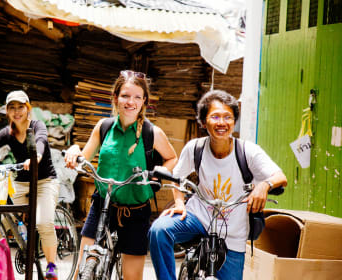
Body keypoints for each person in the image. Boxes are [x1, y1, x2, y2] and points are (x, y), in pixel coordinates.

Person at [149, 90, 288, 280]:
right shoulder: (195, 148)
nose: (221, 123)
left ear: (233, 122)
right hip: (198, 216)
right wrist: (180, 204)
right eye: (215, 116)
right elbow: (177, 179)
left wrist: (264, 185)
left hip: (233, 232)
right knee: (159, 230)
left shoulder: (248, 151)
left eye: (227, 117)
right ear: (204, 122)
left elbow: (280, 176)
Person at [65, 70, 178, 280]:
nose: (130, 102)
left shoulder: (152, 133)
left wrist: (157, 175)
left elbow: (172, 158)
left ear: (144, 101)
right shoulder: (104, 127)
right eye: (125, 96)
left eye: (137, 97)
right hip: (102, 204)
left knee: (131, 277)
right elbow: (84, 156)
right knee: (82, 271)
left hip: (135, 211)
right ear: (115, 98)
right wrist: (73, 150)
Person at [0, 90, 60, 280]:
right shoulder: (7, 132)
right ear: (7, 111)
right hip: (22, 182)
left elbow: (41, 141)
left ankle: (51, 265)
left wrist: (36, 157)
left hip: (45, 181)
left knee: (43, 223)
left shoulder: (37, 126)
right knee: (3, 211)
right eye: (12, 108)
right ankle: (23, 240)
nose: (17, 112)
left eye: (20, 107)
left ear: (27, 108)